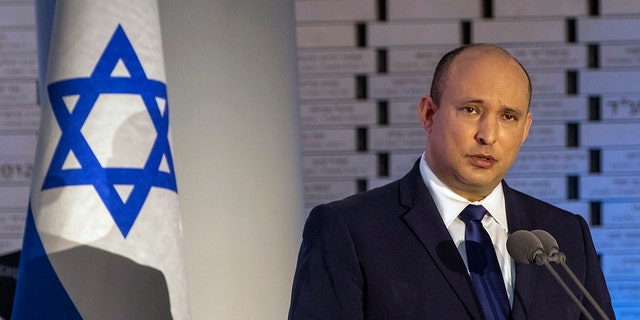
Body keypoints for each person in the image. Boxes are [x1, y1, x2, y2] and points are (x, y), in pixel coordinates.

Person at [288, 44, 615, 319]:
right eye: (471, 110)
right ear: (429, 114)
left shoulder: (565, 234)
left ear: (525, 128)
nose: (488, 135)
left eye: (508, 117)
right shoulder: (348, 229)